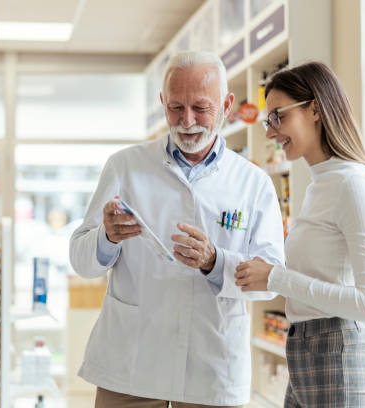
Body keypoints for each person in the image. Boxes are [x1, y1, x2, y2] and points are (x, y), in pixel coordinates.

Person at [69, 51, 285, 407]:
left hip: (211, 369)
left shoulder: (253, 184)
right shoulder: (125, 166)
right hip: (131, 365)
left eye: (201, 108)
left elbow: (270, 280)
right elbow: (81, 261)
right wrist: (106, 238)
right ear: (162, 103)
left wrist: (216, 261)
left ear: (227, 105)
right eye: (175, 107)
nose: (187, 121)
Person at [234, 61, 365, 407]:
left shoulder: (354, 184)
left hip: (340, 360)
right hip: (307, 355)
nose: (270, 132)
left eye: (278, 116)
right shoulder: (321, 183)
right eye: (267, 121)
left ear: (315, 109)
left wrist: (276, 277)